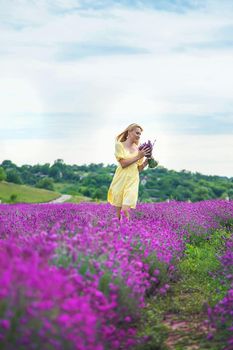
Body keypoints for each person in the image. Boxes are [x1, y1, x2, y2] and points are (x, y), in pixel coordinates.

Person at [107, 123, 151, 220]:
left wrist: (146, 162)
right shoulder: (119, 145)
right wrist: (139, 156)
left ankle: (128, 230)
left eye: (140, 134)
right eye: (137, 133)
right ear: (129, 132)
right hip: (120, 179)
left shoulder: (138, 149)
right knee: (118, 214)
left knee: (125, 209)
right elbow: (123, 163)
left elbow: (138, 168)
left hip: (132, 181)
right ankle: (120, 232)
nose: (139, 136)